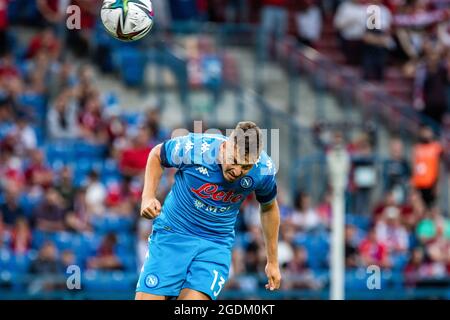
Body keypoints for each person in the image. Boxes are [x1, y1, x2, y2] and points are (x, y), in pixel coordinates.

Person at [135, 121, 281, 300]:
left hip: (215, 244)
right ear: (225, 147)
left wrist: (272, 262)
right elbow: (157, 154)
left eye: (245, 167)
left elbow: (269, 208)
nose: (237, 171)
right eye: (234, 161)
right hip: (172, 235)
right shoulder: (196, 148)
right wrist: (148, 197)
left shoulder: (262, 170)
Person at [411, 126, 443, 208]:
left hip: (431, 183)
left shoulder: (436, 147)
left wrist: (437, 184)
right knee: (419, 207)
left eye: (428, 131)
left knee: (431, 207)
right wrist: (413, 184)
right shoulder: (417, 147)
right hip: (419, 183)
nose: (426, 133)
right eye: (424, 131)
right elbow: (414, 166)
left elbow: (439, 166)